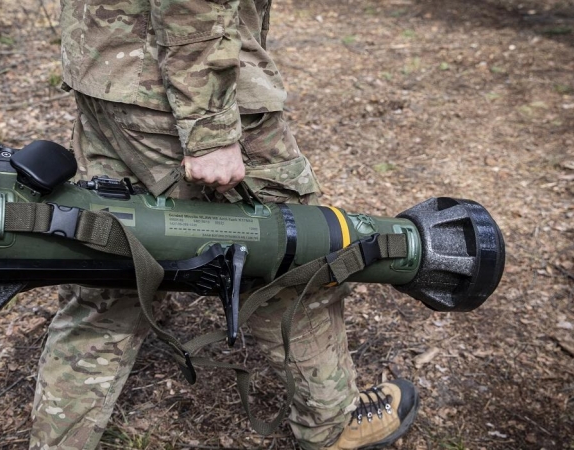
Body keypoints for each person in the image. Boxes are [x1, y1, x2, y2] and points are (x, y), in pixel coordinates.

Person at [30, 1, 419, 449]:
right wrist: (210, 129)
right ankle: (332, 423)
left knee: (112, 264)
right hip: (173, 85)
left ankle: (57, 441)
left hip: (106, 66)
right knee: (296, 254)